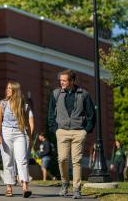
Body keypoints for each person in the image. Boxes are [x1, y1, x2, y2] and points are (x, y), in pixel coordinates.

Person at [48, 69, 95, 199]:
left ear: (72, 81)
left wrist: (86, 130)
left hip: (78, 132)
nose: (61, 82)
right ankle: (64, 183)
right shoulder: (56, 94)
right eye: (60, 80)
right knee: (62, 159)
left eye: (64, 80)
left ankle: (76, 189)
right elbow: (51, 113)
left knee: (76, 161)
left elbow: (91, 115)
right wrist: (55, 129)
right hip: (61, 131)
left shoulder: (83, 94)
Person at [0, 81, 34, 198]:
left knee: (21, 160)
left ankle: (25, 187)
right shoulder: (2, 104)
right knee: (8, 161)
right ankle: (9, 187)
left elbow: (28, 122)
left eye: (10, 88)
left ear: (15, 90)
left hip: (20, 133)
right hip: (6, 133)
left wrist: (30, 138)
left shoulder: (23, 105)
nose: (7, 90)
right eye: (7, 88)